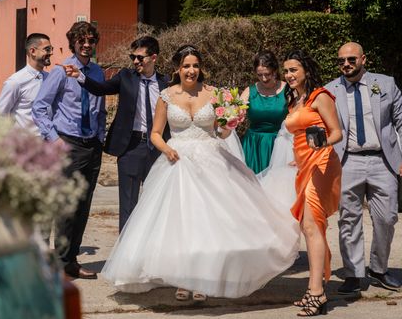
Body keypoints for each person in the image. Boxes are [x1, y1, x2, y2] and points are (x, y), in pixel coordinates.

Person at [101, 44, 300, 300]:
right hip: (178, 162)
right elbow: (155, 133)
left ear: (201, 68)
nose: (191, 70)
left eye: (195, 65)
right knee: (182, 224)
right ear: (177, 69)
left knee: (210, 223)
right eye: (186, 66)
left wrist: (230, 123)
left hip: (211, 159)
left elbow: (222, 131)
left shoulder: (215, 93)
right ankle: (182, 279)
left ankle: (204, 279)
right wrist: (166, 149)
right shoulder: (166, 96)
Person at [63, 36, 169, 232]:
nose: (135, 61)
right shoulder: (125, 77)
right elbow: (102, 89)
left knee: (156, 202)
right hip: (131, 147)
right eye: (132, 57)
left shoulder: (167, 83)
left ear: (153, 57)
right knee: (128, 204)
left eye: (140, 57)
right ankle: (126, 255)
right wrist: (80, 76)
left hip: (158, 148)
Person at [326, 42, 402, 294]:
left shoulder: (386, 84)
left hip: (384, 160)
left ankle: (379, 269)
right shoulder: (330, 91)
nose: (346, 64)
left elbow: (400, 121)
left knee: (387, 217)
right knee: (348, 219)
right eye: (341, 61)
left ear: (363, 59)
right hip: (348, 161)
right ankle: (353, 273)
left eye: (351, 59)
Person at [32, 21, 106, 279]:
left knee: (83, 206)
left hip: (92, 147)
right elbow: (40, 107)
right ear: (73, 42)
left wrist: (101, 137)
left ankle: (71, 260)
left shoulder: (98, 73)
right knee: (65, 208)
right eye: (81, 41)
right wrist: (54, 139)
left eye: (91, 41)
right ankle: (62, 263)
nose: (87, 45)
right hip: (68, 144)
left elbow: (101, 108)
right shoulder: (61, 71)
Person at [283, 50, 342, 317]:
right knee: (310, 227)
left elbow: (336, 133)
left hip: (321, 162)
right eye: (286, 71)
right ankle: (314, 288)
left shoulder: (321, 96)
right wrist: (299, 158)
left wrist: (318, 146)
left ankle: (316, 292)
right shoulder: (295, 101)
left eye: (294, 70)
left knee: (311, 224)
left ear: (306, 70)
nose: (289, 75)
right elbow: (300, 135)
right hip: (304, 164)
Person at [240, 50, 288, 173]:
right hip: (252, 146)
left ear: (275, 70)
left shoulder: (288, 91)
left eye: (267, 74)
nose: (264, 78)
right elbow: (236, 115)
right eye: (259, 75)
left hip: (279, 144)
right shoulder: (249, 91)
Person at [0, 33, 52, 135]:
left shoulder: (50, 78)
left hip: (49, 143)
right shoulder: (15, 82)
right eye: (47, 49)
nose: (51, 53)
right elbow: (0, 115)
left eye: (51, 49)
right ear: (33, 51)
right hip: (26, 144)